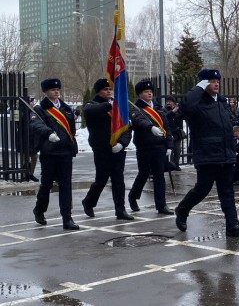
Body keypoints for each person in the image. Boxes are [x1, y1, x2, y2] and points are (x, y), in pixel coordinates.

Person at [175, 68, 239, 237]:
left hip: (226, 152)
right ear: (202, 83)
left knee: (227, 191)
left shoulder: (221, 102)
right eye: (211, 81)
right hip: (207, 153)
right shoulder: (197, 102)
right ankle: (182, 210)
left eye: (217, 81)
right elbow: (185, 108)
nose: (216, 84)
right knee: (202, 189)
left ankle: (232, 226)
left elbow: (228, 123)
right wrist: (198, 88)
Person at [81, 78, 134, 220]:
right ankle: (88, 201)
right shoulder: (92, 105)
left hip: (117, 149)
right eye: (105, 89)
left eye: (110, 89)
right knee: (101, 180)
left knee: (118, 180)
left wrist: (122, 143)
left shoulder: (117, 107)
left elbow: (127, 127)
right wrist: (109, 105)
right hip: (102, 149)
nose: (109, 91)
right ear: (98, 91)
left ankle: (120, 210)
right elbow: (91, 111)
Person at [30, 78, 79, 230]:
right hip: (49, 152)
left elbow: (71, 128)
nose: (56, 92)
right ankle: (39, 210)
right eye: (52, 90)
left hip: (65, 151)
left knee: (66, 185)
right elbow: (36, 124)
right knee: (47, 184)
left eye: (57, 89)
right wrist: (48, 133)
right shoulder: (40, 109)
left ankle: (67, 218)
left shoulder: (65, 108)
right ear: (45, 92)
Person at [128, 80, 175, 215]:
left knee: (159, 175)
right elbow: (138, 121)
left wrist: (170, 145)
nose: (149, 93)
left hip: (159, 146)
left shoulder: (158, 108)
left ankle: (161, 205)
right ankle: (133, 196)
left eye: (150, 91)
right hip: (144, 146)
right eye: (145, 92)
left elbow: (166, 127)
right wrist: (151, 127)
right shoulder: (136, 108)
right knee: (143, 173)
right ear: (139, 94)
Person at [165, 95, 184, 171]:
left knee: (177, 150)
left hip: (177, 133)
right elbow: (165, 116)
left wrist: (178, 110)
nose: (168, 103)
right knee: (170, 150)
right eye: (167, 101)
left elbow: (181, 116)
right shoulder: (164, 110)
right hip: (169, 133)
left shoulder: (178, 110)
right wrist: (172, 111)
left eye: (170, 101)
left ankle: (176, 164)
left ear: (173, 102)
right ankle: (170, 165)